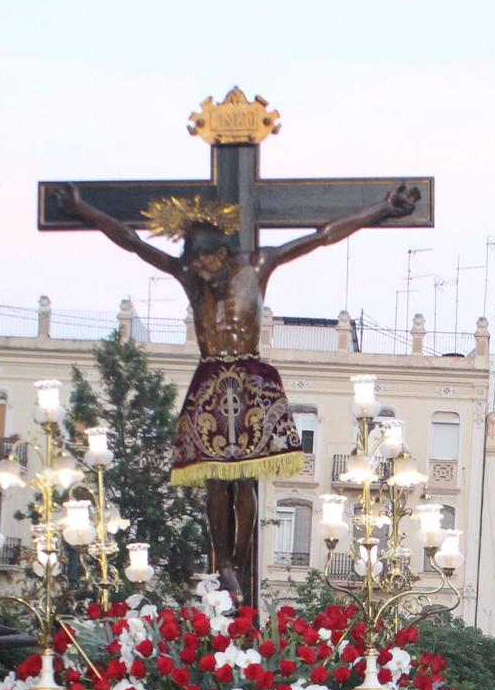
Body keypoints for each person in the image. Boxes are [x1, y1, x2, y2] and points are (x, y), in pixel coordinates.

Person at [60, 179, 419, 596]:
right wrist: (84, 209)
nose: (198, 270)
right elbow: (135, 243)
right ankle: (224, 561)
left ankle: (241, 558)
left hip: (250, 378)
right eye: (191, 262)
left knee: (245, 479)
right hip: (211, 378)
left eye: (203, 262)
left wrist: (381, 208)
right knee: (215, 480)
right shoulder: (188, 275)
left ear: (219, 251)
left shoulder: (257, 265)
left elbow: (321, 236)